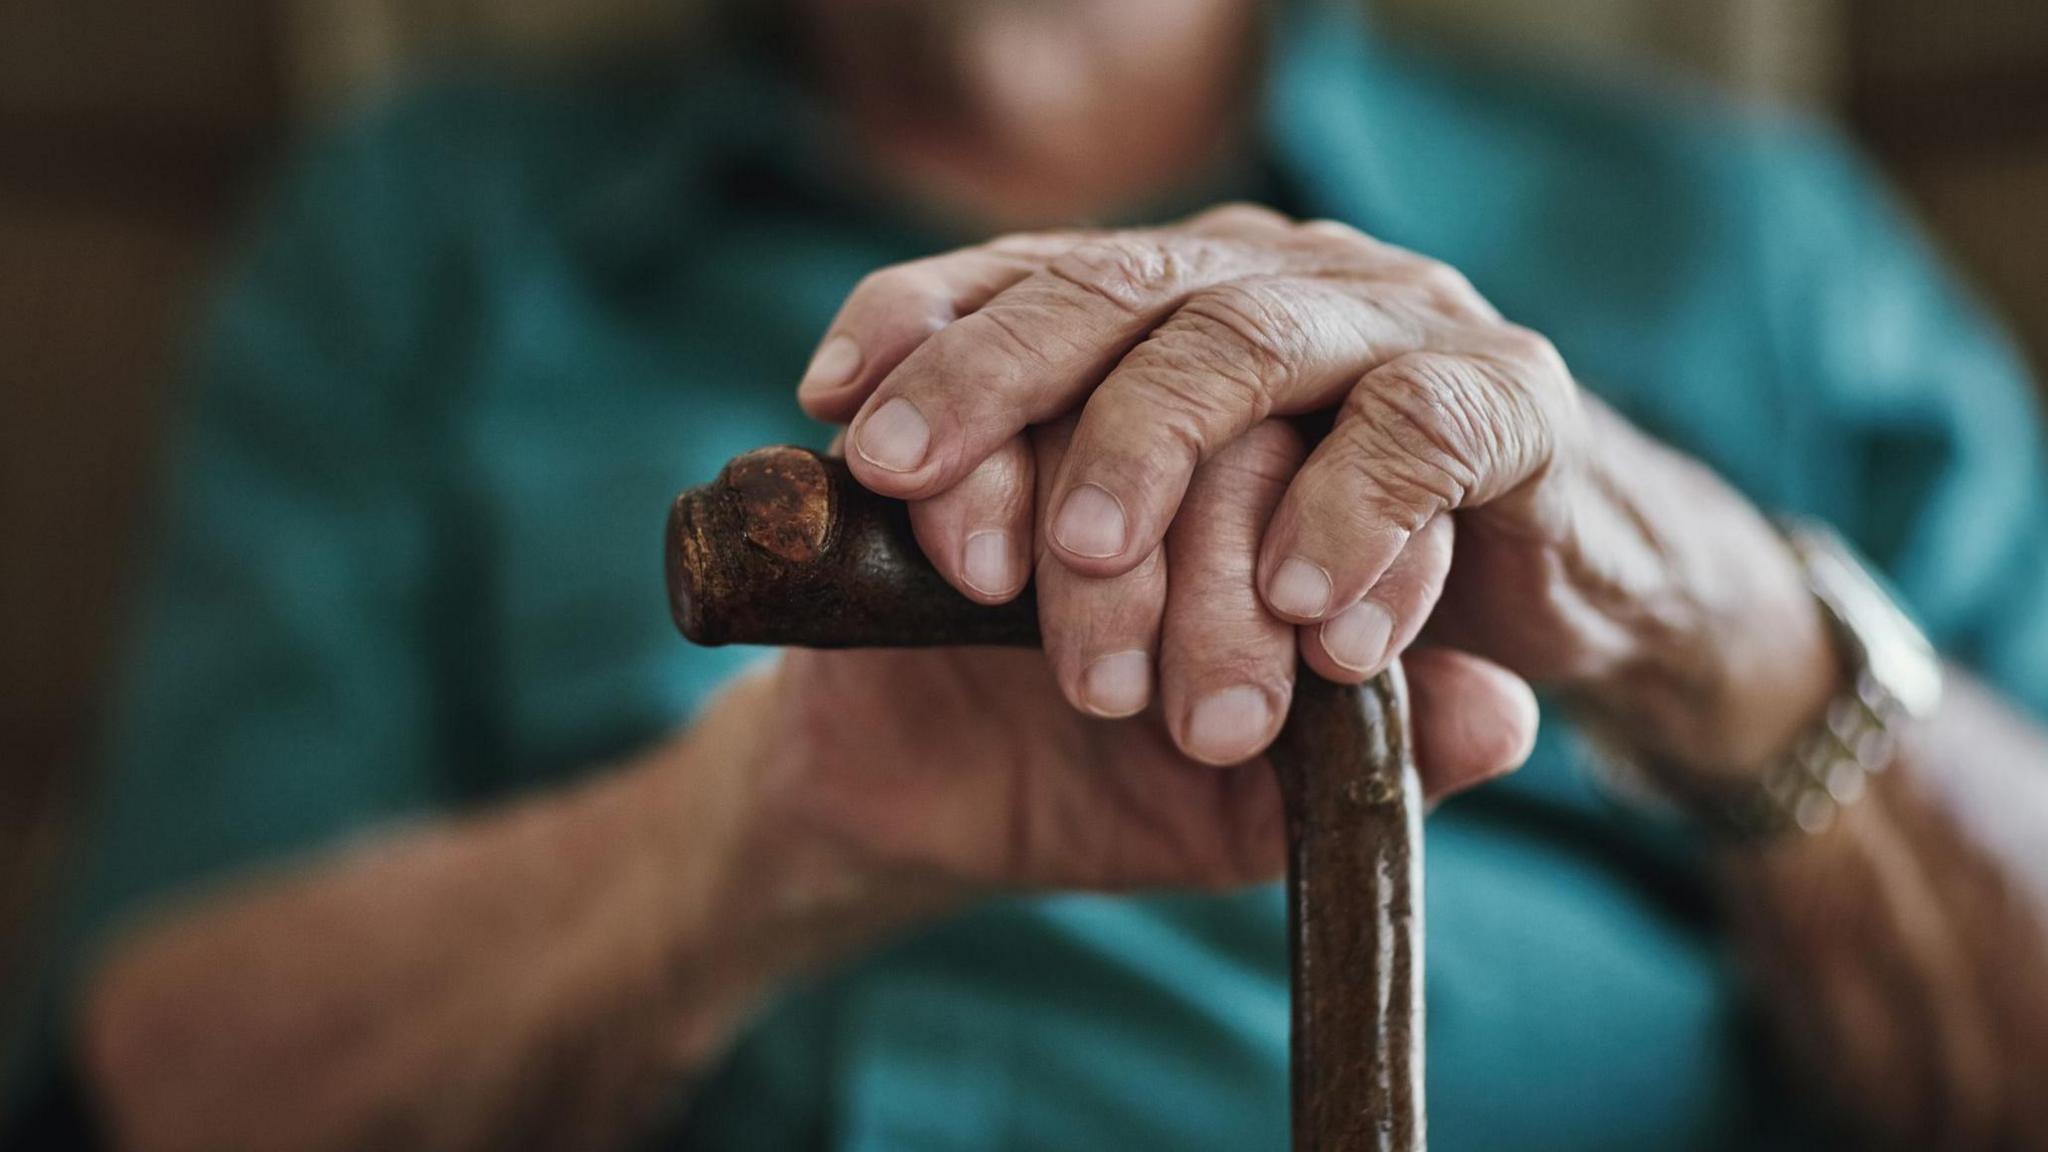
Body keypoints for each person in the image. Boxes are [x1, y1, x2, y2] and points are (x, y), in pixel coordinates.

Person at [7, 0, 2048, 1148]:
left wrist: (1714, 622)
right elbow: (171, 1075)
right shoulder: (415, 236)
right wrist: (761, 837)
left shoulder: (1742, 245)